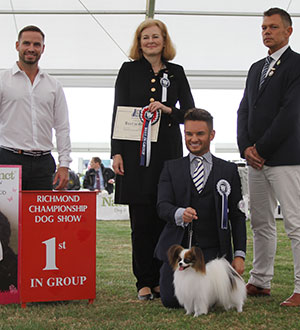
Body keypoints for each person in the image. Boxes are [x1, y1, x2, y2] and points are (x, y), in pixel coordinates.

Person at [111, 19, 195, 300]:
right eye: (145, 37)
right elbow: (118, 111)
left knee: (166, 218)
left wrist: (168, 109)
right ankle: (143, 281)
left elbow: (190, 113)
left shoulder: (177, 72)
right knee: (141, 221)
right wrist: (117, 151)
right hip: (135, 155)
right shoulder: (128, 70)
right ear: (139, 42)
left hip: (168, 154)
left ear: (164, 40)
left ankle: (162, 279)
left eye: (155, 37)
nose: (150, 41)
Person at [237, 8, 300, 306]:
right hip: (254, 160)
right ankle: (260, 280)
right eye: (263, 27)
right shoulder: (254, 68)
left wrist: (261, 149)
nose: (266, 32)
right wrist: (245, 148)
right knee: (260, 222)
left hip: (287, 158)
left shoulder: (297, 65)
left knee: (295, 223)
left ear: (288, 31)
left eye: (273, 27)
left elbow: (290, 114)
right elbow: (244, 110)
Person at [155, 108, 247, 308]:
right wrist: (179, 213)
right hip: (180, 252)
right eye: (189, 134)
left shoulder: (228, 170)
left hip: (214, 253)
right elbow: (162, 207)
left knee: (217, 301)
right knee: (171, 301)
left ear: (211, 135)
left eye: (199, 134)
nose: (193, 139)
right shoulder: (170, 168)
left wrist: (239, 255)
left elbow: (238, 217)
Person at [0, 25, 71, 190]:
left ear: (43, 48)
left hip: (43, 164)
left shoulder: (54, 85)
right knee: (5, 216)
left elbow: (62, 127)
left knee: (39, 216)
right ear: (17, 45)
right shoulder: (2, 81)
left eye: (36, 45)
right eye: (26, 43)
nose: (31, 48)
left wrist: (64, 163)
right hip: (8, 161)